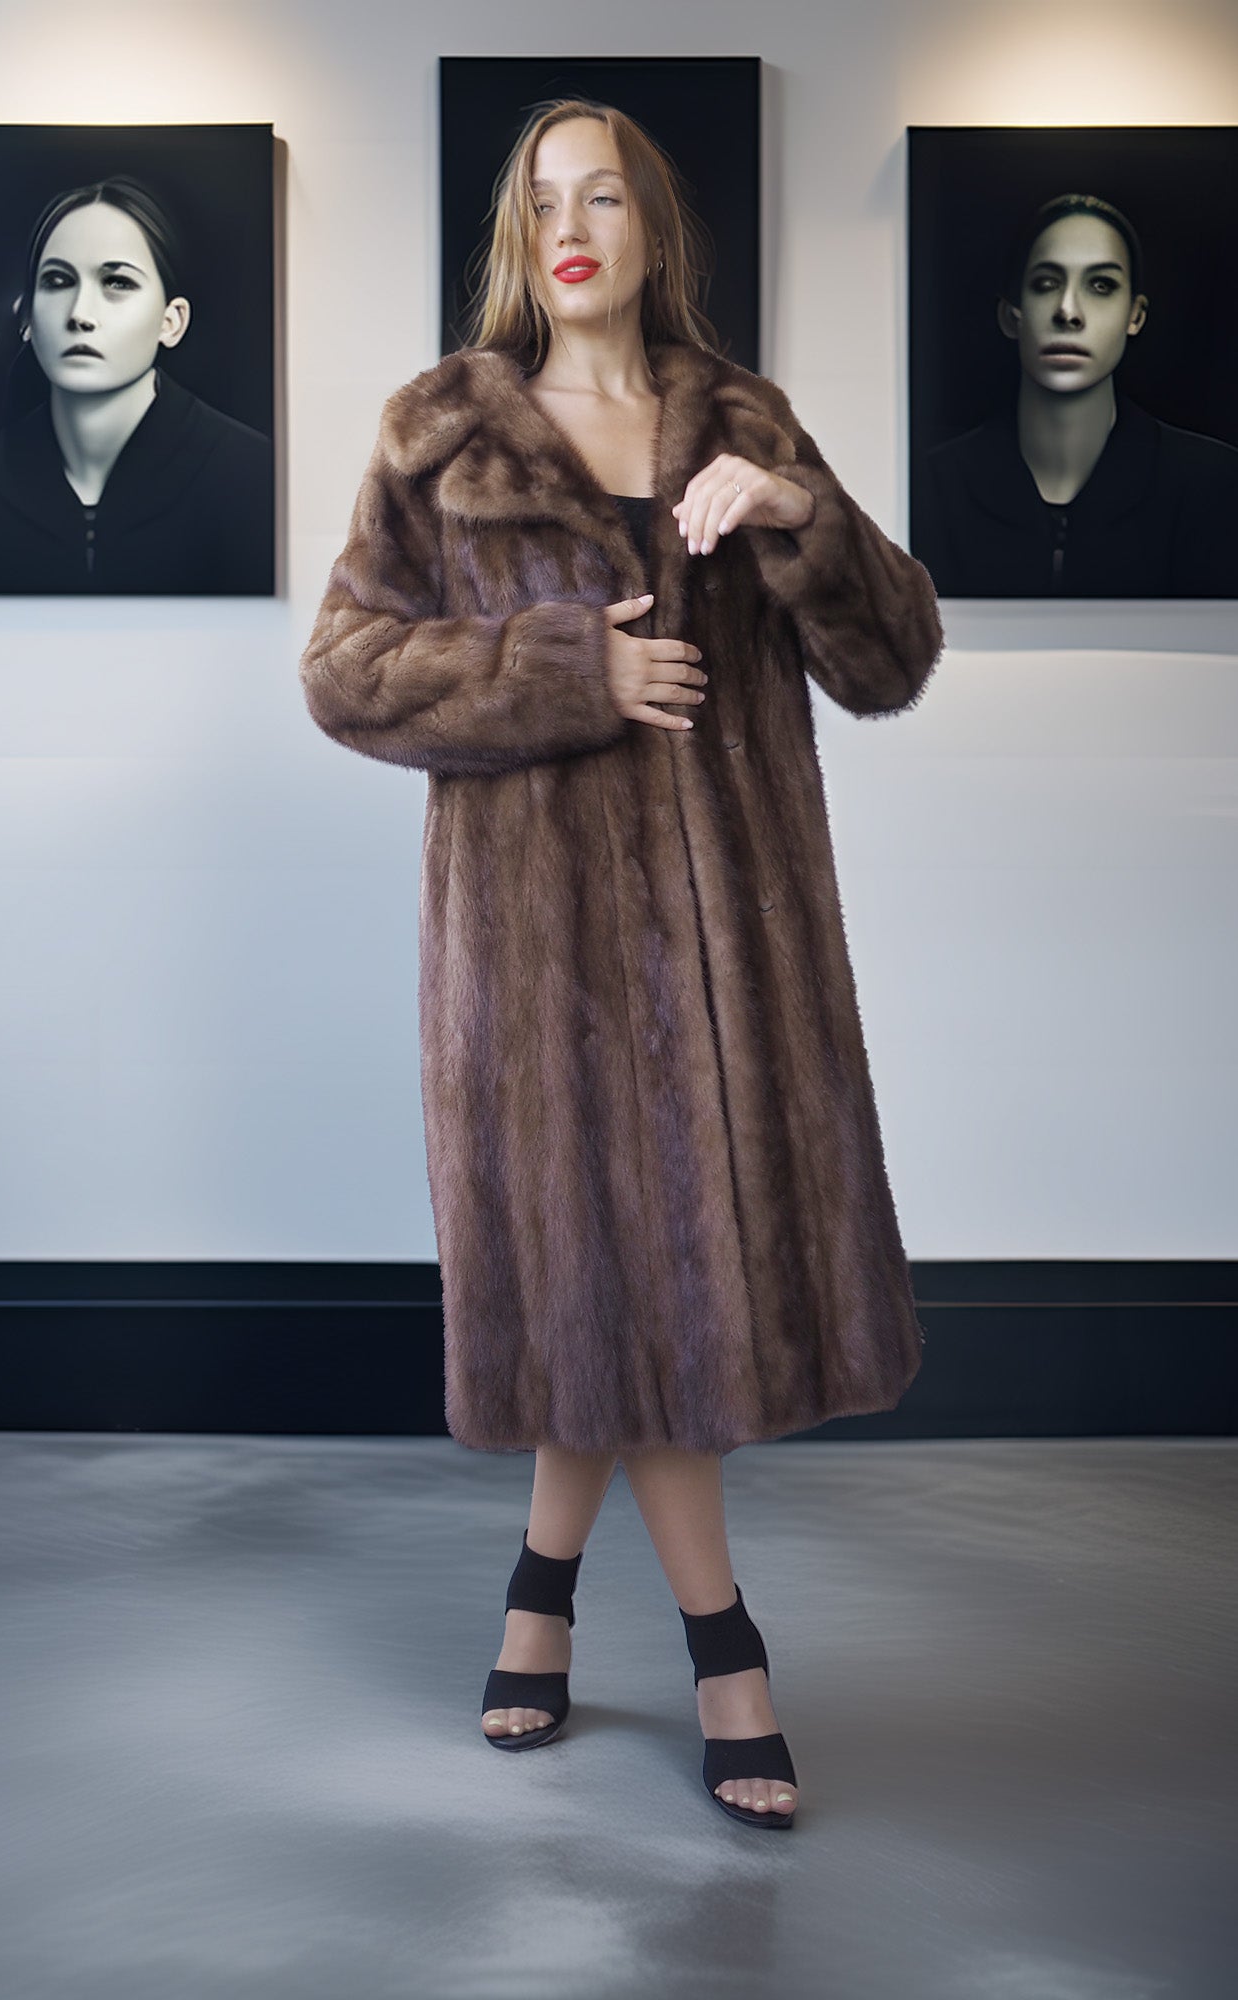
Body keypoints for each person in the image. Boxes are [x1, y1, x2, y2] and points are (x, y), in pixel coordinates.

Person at [299, 99, 945, 1833]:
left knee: (628, 1293)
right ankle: (727, 1650)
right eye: (540, 200)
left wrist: (798, 507)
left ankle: (538, 1593)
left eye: (603, 196)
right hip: (542, 965)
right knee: (633, 1281)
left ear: (654, 226)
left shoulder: (743, 421)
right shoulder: (440, 435)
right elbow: (347, 671)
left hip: (742, 956)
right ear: (518, 236)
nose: (569, 225)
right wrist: (567, 671)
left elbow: (892, 659)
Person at [0, 174, 273, 595]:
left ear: (171, 321)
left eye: (117, 282)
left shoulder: (252, 478)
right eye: (58, 281)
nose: (80, 314)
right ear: (26, 317)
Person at [914, 192, 1238, 597]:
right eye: (1046, 284)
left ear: (1134, 315)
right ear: (1010, 314)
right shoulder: (931, 487)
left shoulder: (1213, 484)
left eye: (1101, 285)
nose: (1068, 311)